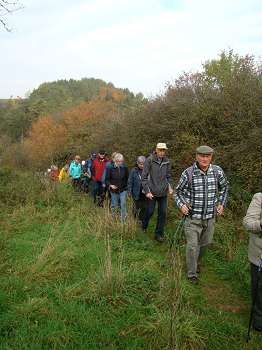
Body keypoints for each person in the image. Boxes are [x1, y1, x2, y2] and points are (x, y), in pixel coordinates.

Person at [175, 145, 229, 284]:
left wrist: (221, 204)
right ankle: (191, 273)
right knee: (192, 246)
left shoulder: (217, 172)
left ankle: (196, 263)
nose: (205, 159)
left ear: (211, 157)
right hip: (193, 218)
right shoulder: (188, 173)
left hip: (210, 218)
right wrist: (182, 205)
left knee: (205, 244)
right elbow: (178, 192)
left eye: (207, 156)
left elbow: (224, 188)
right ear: (197, 157)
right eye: (202, 156)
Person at [141, 143, 173, 242]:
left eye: (163, 150)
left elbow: (168, 176)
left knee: (162, 213)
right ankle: (143, 226)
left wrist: (170, 187)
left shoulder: (167, 161)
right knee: (150, 211)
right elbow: (144, 177)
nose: (162, 152)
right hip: (152, 192)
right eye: (160, 150)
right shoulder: (149, 160)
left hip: (163, 192)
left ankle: (158, 234)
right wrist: (147, 191)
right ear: (156, 149)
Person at [243, 192, 262, 332]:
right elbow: (248, 223)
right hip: (259, 256)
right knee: (259, 291)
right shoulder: (259, 198)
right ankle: (258, 320)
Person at [106, 153, 129, 222]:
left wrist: (127, 188)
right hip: (114, 191)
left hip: (123, 190)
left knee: (123, 204)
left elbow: (127, 178)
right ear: (115, 161)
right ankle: (113, 219)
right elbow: (107, 179)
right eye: (118, 161)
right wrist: (111, 185)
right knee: (114, 205)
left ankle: (123, 221)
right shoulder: (110, 168)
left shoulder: (125, 168)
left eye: (121, 161)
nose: (119, 163)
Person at [128, 156, 147, 223]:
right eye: (140, 164)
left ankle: (140, 219)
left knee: (144, 207)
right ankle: (133, 218)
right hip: (136, 192)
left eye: (143, 164)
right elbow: (130, 181)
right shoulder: (134, 171)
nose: (142, 165)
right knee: (136, 206)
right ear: (137, 163)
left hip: (145, 192)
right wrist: (129, 191)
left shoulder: (147, 170)